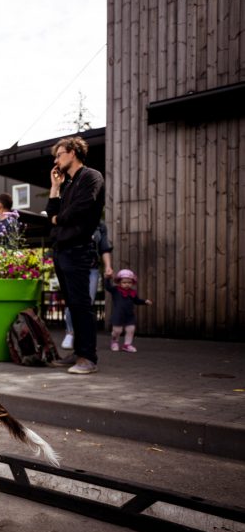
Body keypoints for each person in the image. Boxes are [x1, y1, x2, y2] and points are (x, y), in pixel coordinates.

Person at [46, 136, 105, 375]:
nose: (56, 160)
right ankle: (78, 352)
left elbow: (80, 208)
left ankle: (88, 358)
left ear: (72, 152)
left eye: (59, 155)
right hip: (62, 251)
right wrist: (55, 187)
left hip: (79, 250)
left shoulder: (91, 177)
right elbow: (50, 212)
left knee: (81, 305)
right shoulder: (68, 184)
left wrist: (59, 219)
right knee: (72, 305)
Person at [61, 221, 114, 350]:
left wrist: (108, 266)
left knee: (87, 302)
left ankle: (82, 336)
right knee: (72, 300)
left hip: (92, 269)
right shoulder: (72, 220)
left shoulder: (100, 226)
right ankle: (70, 333)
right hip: (73, 267)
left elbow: (104, 248)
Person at [105, 269, 152, 353]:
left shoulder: (132, 292)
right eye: (124, 282)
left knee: (131, 330)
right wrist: (107, 278)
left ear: (132, 283)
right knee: (117, 331)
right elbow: (108, 287)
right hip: (118, 315)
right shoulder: (115, 290)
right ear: (119, 282)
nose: (127, 284)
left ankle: (127, 345)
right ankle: (114, 342)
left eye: (129, 282)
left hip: (129, 315)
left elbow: (136, 301)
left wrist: (144, 301)